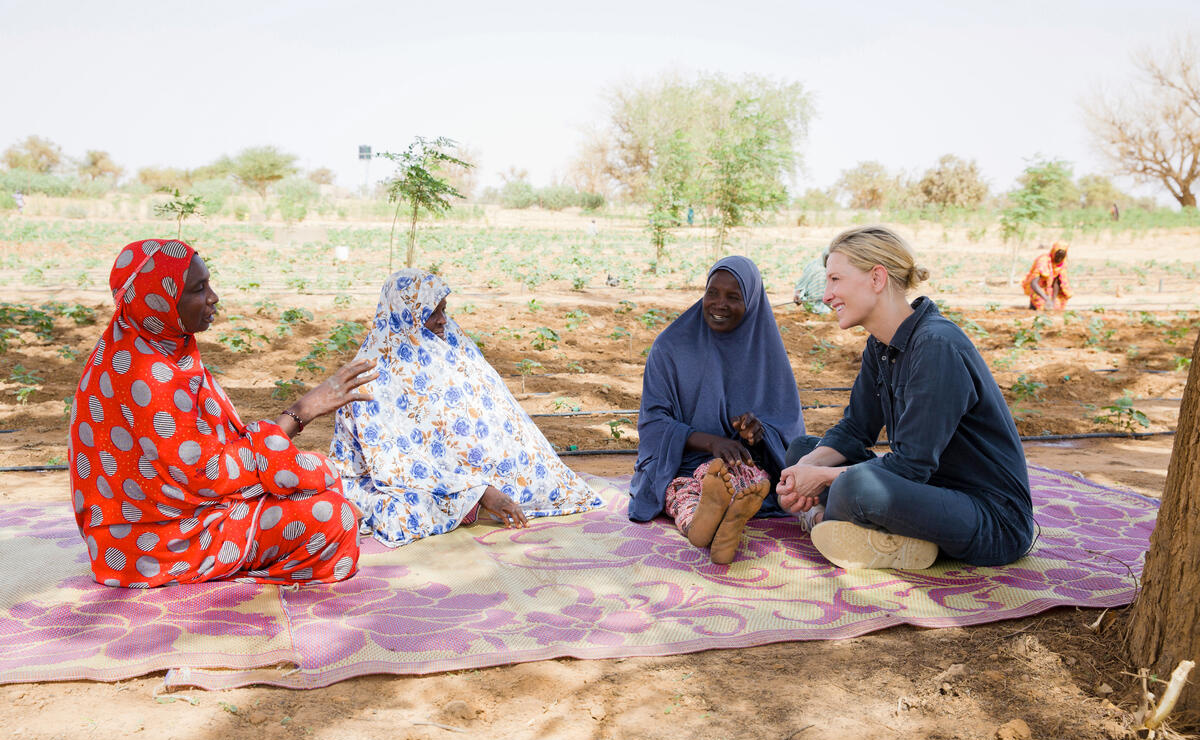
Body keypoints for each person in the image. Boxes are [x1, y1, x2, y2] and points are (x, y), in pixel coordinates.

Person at [67, 239, 377, 588]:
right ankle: (227, 567)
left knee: (312, 480)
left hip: (140, 532)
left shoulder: (139, 347)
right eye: (199, 289)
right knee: (334, 516)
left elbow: (207, 458)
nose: (213, 297)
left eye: (209, 284)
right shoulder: (153, 377)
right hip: (157, 546)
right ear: (161, 301)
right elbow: (209, 474)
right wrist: (303, 411)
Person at [777, 225, 1034, 570]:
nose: (826, 295)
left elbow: (911, 465)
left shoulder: (936, 345)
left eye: (835, 279)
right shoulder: (880, 345)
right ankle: (871, 533)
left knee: (851, 487)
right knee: (802, 451)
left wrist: (822, 479)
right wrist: (806, 468)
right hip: (928, 494)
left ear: (877, 278)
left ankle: (833, 521)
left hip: (991, 519)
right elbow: (856, 430)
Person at [329, 270, 601, 546]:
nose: (443, 320)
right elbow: (395, 464)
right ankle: (469, 502)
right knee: (402, 515)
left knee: (535, 475)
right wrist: (478, 491)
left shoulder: (451, 345)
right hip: (402, 479)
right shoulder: (371, 377)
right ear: (405, 315)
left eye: (444, 310)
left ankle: (472, 501)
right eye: (432, 313)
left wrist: (494, 466)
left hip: (460, 470)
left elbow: (497, 413)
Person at [630, 255, 806, 564]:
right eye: (712, 292)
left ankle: (723, 518)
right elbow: (653, 424)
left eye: (733, 297)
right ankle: (702, 524)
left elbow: (788, 426)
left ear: (751, 302)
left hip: (738, 466)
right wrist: (712, 442)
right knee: (681, 492)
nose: (718, 303)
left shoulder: (766, 354)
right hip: (679, 466)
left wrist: (758, 433)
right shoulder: (670, 347)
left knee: (747, 482)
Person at [1022, 241, 1072, 311]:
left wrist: (1053, 300)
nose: (1059, 259)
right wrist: (1046, 299)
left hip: (1049, 289)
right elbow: (1034, 284)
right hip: (1037, 289)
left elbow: (1056, 283)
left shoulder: (1062, 263)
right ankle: (1033, 305)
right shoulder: (1043, 261)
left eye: (1062, 257)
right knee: (1042, 306)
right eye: (1057, 256)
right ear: (1053, 252)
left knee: (1057, 306)